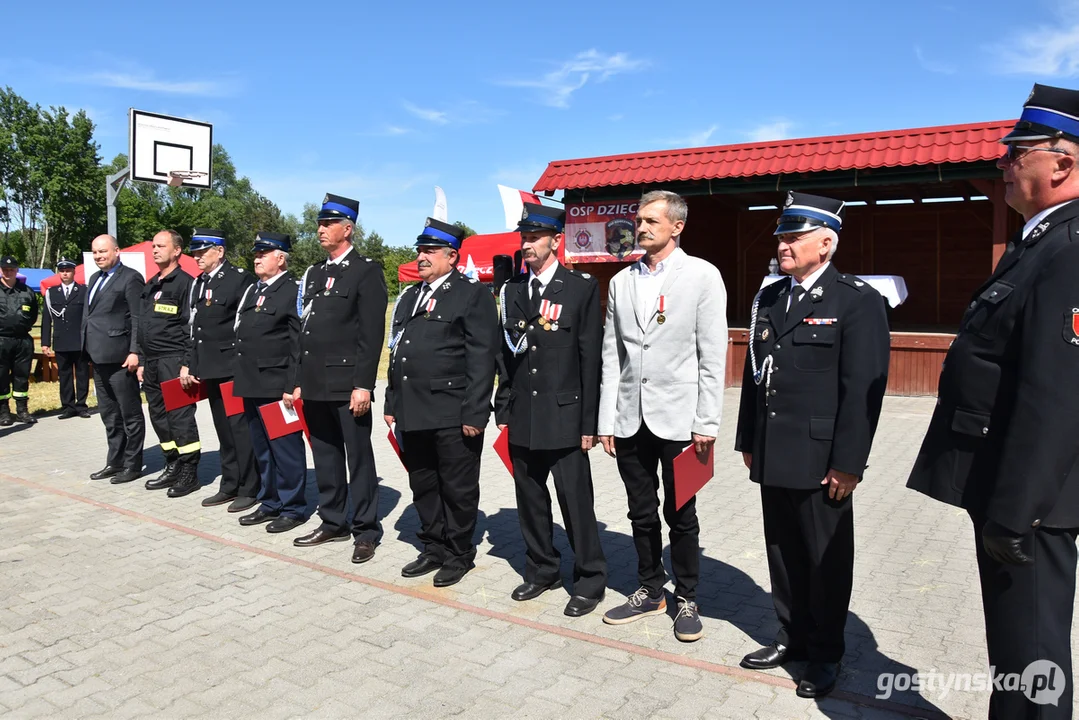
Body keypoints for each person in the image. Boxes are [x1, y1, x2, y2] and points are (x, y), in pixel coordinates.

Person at [907, 83, 1079, 719]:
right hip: (1012, 491)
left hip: (1030, 503)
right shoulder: (1040, 242)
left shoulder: (1070, 248)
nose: (1003, 164)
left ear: (1062, 162)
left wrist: (1017, 511)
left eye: (1018, 153)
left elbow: (1056, 396)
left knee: (1031, 655)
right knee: (1013, 652)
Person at [734, 191, 890, 698]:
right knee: (781, 551)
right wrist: (748, 439)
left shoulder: (856, 301)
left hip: (823, 458)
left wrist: (849, 463)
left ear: (825, 243)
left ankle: (825, 652)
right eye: (781, 236)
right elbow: (755, 376)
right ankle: (791, 636)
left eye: (792, 236)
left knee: (825, 558)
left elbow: (863, 389)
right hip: (774, 449)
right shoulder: (771, 298)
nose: (782, 244)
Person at [597, 190, 727, 642]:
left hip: (680, 420)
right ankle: (651, 589)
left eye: (652, 220)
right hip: (630, 418)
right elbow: (611, 355)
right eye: (639, 219)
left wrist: (707, 422)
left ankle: (687, 597)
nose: (642, 226)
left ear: (677, 226)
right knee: (640, 512)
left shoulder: (702, 276)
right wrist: (606, 420)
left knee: (682, 514)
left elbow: (712, 356)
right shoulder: (620, 282)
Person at [494, 203, 607, 617]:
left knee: (576, 502)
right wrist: (503, 409)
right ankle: (542, 569)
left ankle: (591, 579)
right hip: (524, 413)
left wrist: (589, 423)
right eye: (522, 238)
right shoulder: (512, 292)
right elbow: (504, 358)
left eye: (533, 238)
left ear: (555, 241)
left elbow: (590, 359)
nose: (526, 245)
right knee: (530, 499)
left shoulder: (579, 288)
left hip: (565, 415)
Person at [384, 217, 499, 587]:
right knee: (423, 483)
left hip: (453, 410)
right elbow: (397, 350)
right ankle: (432, 546)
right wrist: (391, 401)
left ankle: (458, 553)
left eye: (430, 251)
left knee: (458, 487)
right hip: (412, 408)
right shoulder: (410, 296)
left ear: (452, 256)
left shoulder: (472, 294)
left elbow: (483, 358)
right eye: (420, 250)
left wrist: (476, 411)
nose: (421, 256)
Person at [292, 194, 387, 561]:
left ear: (347, 229)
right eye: (319, 223)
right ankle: (333, 521)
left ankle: (365, 530)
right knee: (326, 455)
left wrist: (363, 383)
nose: (320, 229)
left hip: (347, 384)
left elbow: (370, 333)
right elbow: (306, 329)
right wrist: (299, 378)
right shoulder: (315, 272)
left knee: (358, 458)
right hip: (315, 382)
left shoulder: (366, 270)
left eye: (328, 224)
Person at [233, 232, 310, 534]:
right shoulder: (254, 290)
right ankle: (270, 502)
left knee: (285, 449)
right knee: (262, 448)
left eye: (263, 253)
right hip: (252, 381)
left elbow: (297, 343)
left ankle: (293, 507)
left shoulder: (293, 291)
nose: (256, 257)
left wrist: (293, 384)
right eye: (256, 253)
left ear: (280, 258)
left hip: (278, 384)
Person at [182, 228, 260, 513]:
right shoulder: (198, 283)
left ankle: (250, 487)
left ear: (220, 251)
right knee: (223, 430)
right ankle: (230, 483)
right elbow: (195, 327)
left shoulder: (239, 280)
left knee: (240, 430)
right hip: (209, 367)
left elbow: (246, 325)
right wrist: (191, 362)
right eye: (195, 252)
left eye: (203, 252)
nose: (197, 257)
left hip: (232, 368)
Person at [138, 230, 201, 498]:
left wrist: (187, 362)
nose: (154, 250)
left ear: (177, 251)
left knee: (180, 418)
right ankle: (172, 463)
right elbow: (142, 324)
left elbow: (192, 327)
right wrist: (141, 360)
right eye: (153, 246)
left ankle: (190, 471)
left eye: (161, 246)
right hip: (151, 362)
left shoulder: (186, 283)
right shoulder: (151, 284)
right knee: (159, 416)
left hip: (174, 361)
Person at [83, 236, 145, 484]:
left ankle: (133, 464)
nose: (99, 256)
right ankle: (115, 461)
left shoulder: (130, 278)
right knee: (109, 414)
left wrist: (135, 352)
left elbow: (137, 318)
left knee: (129, 413)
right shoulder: (94, 279)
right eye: (95, 252)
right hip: (98, 356)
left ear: (117, 251)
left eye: (103, 251)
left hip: (121, 357)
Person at [41, 257, 90, 419]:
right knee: (65, 375)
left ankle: (81, 406)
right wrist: (45, 342)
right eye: (62, 271)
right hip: (61, 341)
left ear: (74, 272)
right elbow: (47, 319)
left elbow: (88, 316)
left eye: (68, 271)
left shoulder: (83, 291)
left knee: (82, 374)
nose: (65, 274)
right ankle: (68, 406)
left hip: (80, 340)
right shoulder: (51, 293)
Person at [0, 255, 39, 425]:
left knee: (22, 376)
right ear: (1, 271)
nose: (9, 272)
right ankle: (3, 412)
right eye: (5, 269)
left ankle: (22, 410)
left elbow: (33, 315)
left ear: (17, 271)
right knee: (1, 376)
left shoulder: (27, 291)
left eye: (12, 269)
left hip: (22, 341)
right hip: (1, 340)